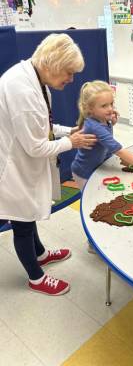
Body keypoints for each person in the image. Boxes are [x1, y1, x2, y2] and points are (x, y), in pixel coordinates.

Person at [0, 33, 98, 296]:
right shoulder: (21, 89)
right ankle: (36, 278)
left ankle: (40, 254)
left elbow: (42, 127)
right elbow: (36, 146)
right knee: (22, 221)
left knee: (29, 213)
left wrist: (69, 131)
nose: (70, 79)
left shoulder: (35, 77)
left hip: (23, 158)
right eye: (68, 72)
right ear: (52, 64)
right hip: (11, 167)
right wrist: (73, 142)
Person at [71, 80, 133, 192]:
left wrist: (111, 123)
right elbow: (117, 150)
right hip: (85, 172)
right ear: (89, 108)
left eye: (111, 103)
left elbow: (102, 137)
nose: (110, 109)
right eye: (104, 106)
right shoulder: (94, 126)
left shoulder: (102, 119)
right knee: (92, 197)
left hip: (99, 166)